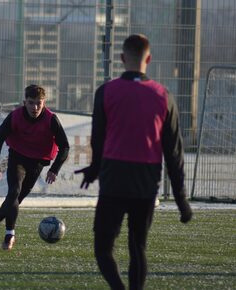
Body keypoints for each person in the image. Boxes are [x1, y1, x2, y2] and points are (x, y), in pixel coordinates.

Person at [75, 34, 192, 290]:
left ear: (121, 58)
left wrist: (94, 170)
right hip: (146, 180)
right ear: (148, 59)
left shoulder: (106, 92)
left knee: (103, 249)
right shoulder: (164, 96)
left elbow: (98, 138)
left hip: (114, 178)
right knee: (137, 245)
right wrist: (182, 200)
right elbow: (174, 153)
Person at [0, 84, 70, 250]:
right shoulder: (15, 116)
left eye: (39, 103)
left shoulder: (51, 119)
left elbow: (65, 146)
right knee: (14, 192)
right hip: (18, 158)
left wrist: (54, 169)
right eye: (31, 103)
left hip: (37, 163)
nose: (35, 107)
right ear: (25, 102)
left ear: (44, 103)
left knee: (15, 201)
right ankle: (10, 235)